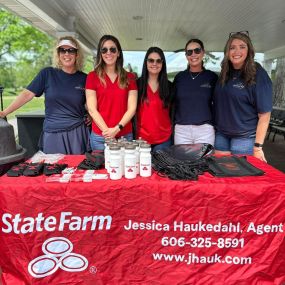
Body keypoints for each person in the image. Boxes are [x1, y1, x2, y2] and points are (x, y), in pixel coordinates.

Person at [0, 36, 90, 154]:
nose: (66, 54)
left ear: (77, 54)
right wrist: (4, 112)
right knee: (53, 169)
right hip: (52, 133)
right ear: (58, 54)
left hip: (77, 133)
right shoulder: (47, 74)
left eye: (71, 50)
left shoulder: (85, 78)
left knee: (77, 170)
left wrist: (91, 115)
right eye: (62, 50)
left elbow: (92, 103)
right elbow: (27, 94)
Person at [213, 31, 272, 162]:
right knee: (221, 176)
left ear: (249, 50)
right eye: (232, 47)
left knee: (240, 178)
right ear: (227, 52)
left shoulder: (258, 75)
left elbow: (265, 114)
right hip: (222, 135)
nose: (236, 51)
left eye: (242, 46)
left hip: (244, 138)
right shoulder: (225, 73)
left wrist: (257, 147)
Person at [85, 35, 138, 150]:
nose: (108, 53)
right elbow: (92, 109)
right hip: (100, 137)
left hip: (125, 136)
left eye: (112, 49)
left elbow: (132, 108)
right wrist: (108, 133)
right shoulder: (92, 77)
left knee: (125, 168)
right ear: (100, 53)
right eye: (104, 49)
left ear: (118, 53)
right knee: (100, 168)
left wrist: (117, 129)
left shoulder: (130, 77)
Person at [173, 39, 218, 146]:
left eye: (197, 50)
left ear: (203, 52)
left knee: (204, 162)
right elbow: (172, 102)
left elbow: (219, 104)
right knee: (182, 162)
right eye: (189, 52)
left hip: (205, 130)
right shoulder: (180, 77)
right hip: (181, 130)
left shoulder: (212, 77)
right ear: (186, 56)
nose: (193, 54)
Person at [136, 47, 173, 151]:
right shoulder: (137, 85)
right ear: (146, 62)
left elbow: (173, 113)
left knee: (160, 168)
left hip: (164, 140)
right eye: (151, 60)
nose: (154, 64)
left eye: (158, 61)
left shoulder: (170, 87)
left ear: (163, 63)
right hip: (141, 140)